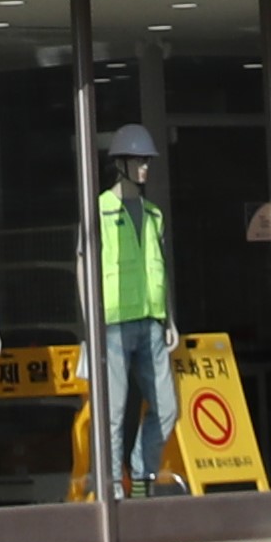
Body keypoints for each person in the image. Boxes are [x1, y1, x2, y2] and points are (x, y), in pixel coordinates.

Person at [97, 122, 175, 497]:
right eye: (139, 160)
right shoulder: (100, 210)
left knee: (167, 407)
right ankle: (113, 489)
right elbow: (84, 266)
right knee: (113, 413)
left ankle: (142, 475)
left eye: (147, 161)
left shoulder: (154, 214)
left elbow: (160, 269)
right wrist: (90, 325)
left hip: (151, 322)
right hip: (113, 323)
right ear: (121, 163)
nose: (145, 167)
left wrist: (169, 318)